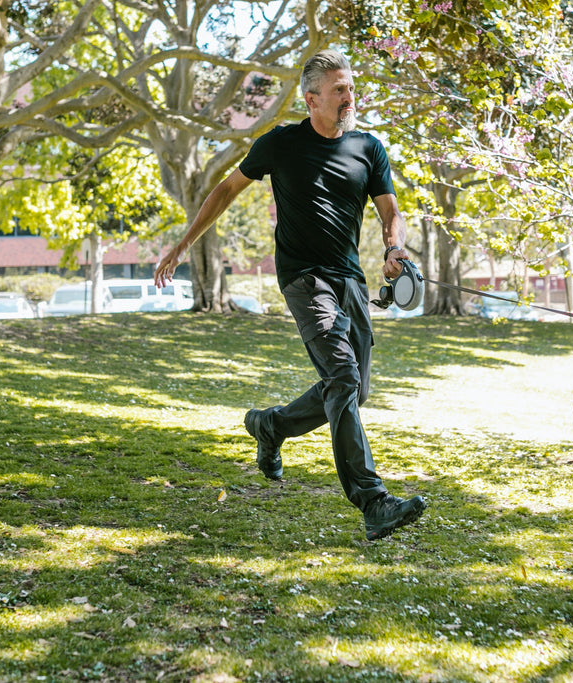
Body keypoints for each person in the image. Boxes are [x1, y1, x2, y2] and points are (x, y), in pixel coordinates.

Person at [153, 49, 426, 541]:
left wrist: (394, 248)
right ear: (312, 98)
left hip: (349, 281)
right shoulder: (280, 144)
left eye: (350, 87)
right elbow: (225, 190)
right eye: (339, 89)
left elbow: (391, 211)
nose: (349, 96)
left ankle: (270, 425)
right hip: (304, 278)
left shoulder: (369, 148)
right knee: (342, 375)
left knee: (352, 390)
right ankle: (373, 502)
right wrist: (181, 244)